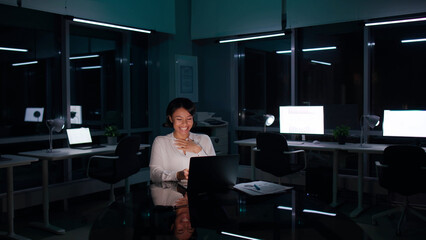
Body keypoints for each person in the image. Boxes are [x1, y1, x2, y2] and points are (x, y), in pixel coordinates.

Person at [150, 97, 215, 182]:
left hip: (200, 191)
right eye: (179, 119)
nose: (185, 124)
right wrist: (177, 175)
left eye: (189, 119)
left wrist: (198, 150)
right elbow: (154, 175)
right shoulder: (160, 142)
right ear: (171, 119)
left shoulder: (204, 139)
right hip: (171, 192)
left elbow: (214, 172)